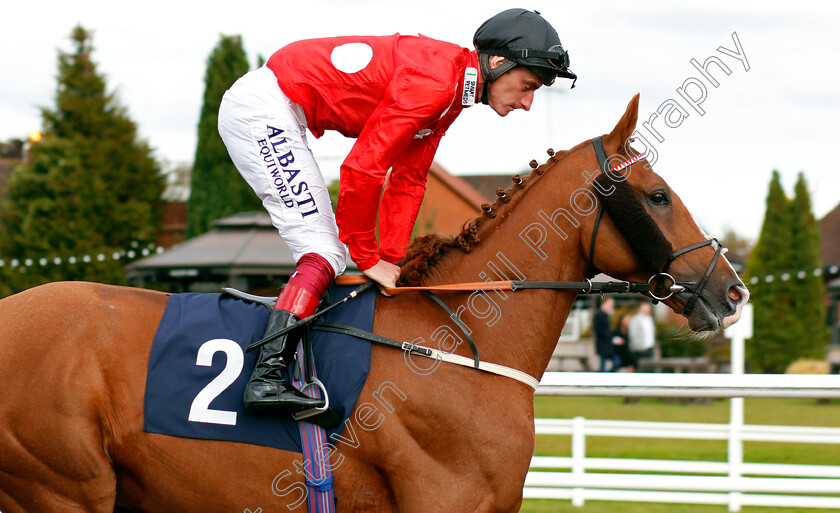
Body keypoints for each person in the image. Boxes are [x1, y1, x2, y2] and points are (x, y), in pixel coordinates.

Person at [217, 9, 577, 414]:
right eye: (527, 86)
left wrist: (395, 261)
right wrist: (368, 258)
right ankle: (267, 377)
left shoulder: (451, 91)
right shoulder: (435, 81)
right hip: (262, 110)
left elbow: (408, 179)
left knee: (334, 250)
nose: (527, 103)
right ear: (498, 63)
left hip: (283, 110)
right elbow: (361, 168)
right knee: (326, 251)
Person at [593, 298, 620, 372]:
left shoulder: (604, 315)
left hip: (606, 346)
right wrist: (612, 338)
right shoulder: (600, 315)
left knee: (611, 364)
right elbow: (600, 330)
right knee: (605, 366)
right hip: (604, 346)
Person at [628, 301, 656, 367]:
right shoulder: (635, 319)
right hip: (639, 349)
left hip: (649, 348)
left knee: (649, 368)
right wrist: (638, 346)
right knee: (640, 368)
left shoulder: (649, 318)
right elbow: (633, 334)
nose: (649, 309)